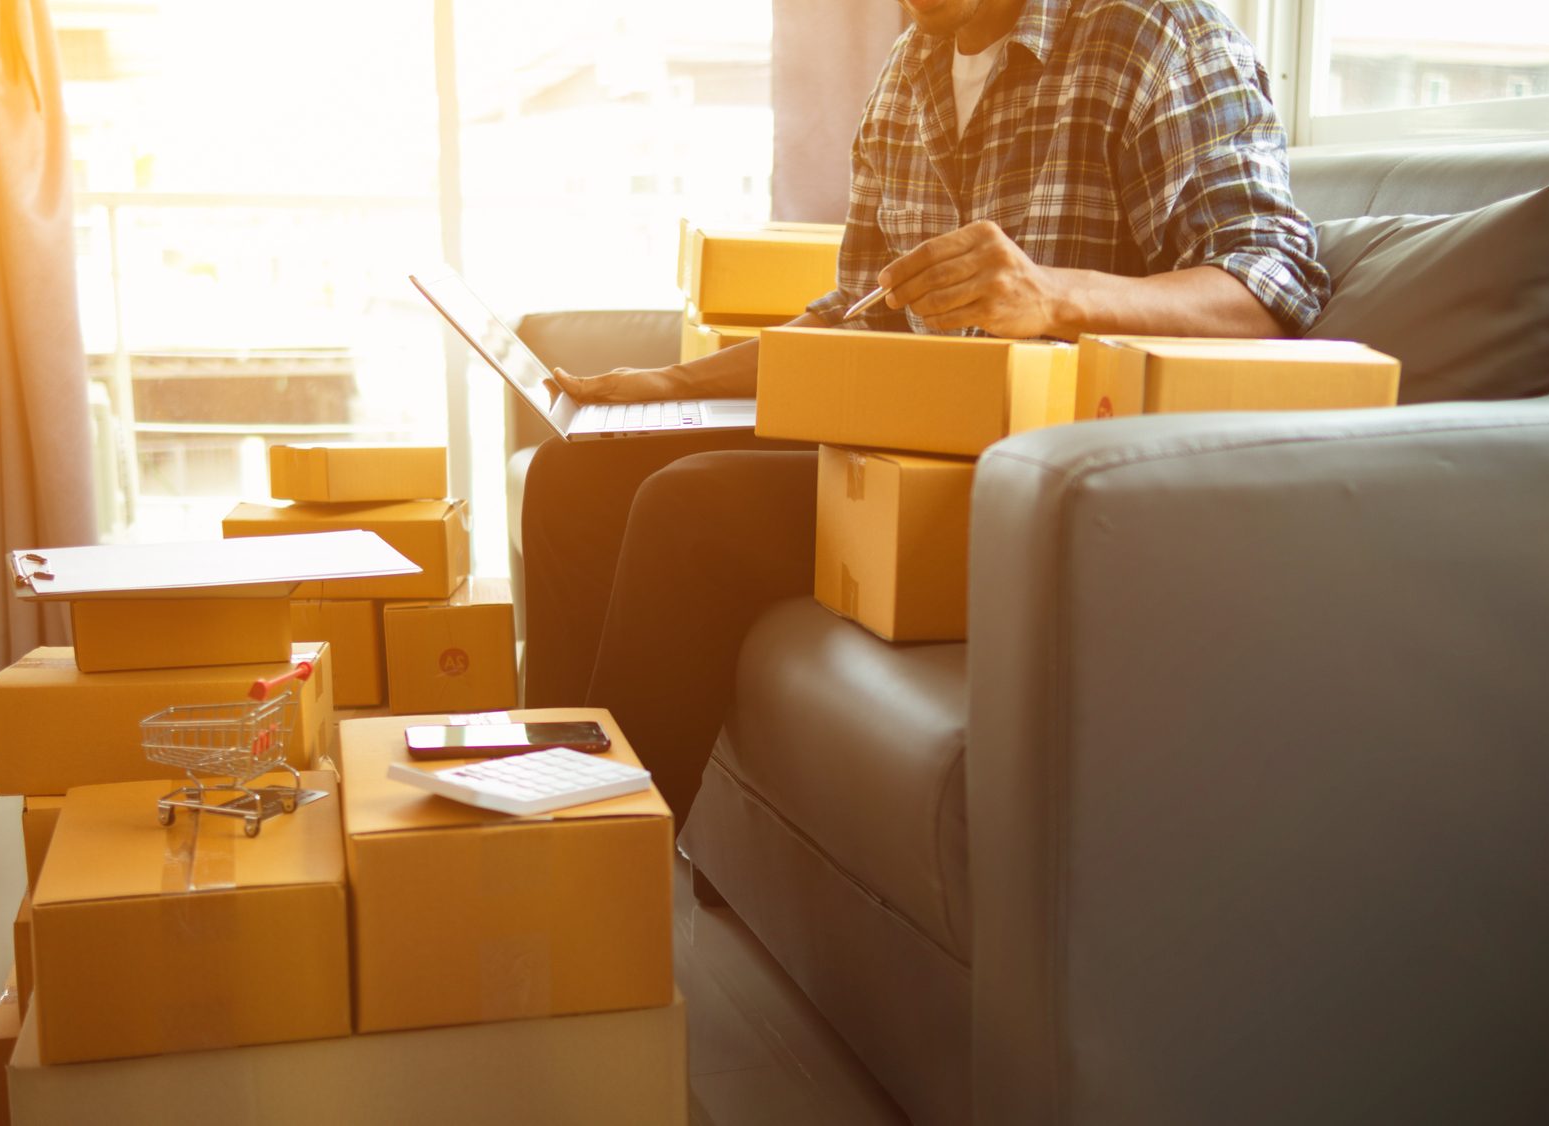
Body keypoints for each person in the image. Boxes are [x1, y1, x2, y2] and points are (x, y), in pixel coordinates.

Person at [523, 0, 1328, 824]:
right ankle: (518, 827)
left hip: (1049, 486)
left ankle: (590, 890)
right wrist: (678, 384)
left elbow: (1269, 280)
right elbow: (856, 313)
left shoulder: (1154, 33)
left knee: (689, 507)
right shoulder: (910, 66)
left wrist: (1052, 295)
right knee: (574, 473)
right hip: (909, 459)